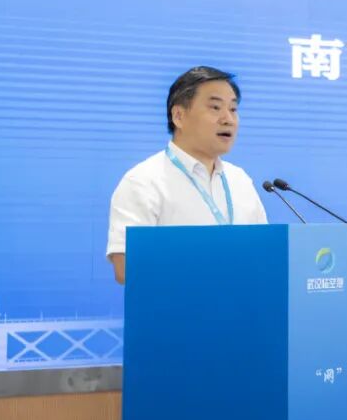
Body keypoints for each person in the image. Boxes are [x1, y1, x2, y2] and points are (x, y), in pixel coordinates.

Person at [106, 66, 267, 284]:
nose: (228, 119)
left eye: (233, 109)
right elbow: (126, 269)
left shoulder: (240, 180)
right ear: (179, 116)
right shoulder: (143, 181)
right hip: (176, 305)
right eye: (215, 107)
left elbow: (265, 253)